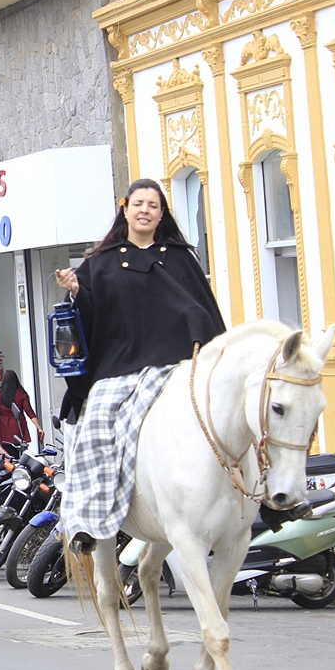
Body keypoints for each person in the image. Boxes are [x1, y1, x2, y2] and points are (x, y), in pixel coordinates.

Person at [54, 179, 226, 553]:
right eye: (139, 204)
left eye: (153, 205)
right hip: (121, 364)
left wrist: (200, 335)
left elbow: (201, 308)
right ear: (126, 209)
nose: (145, 210)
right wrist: (76, 290)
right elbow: (88, 318)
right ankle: (87, 518)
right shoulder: (100, 262)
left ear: (161, 213)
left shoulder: (181, 258)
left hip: (175, 360)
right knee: (97, 418)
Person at [0, 370, 42, 448]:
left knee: (6, 455)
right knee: (19, 454)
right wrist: (39, 428)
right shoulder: (22, 394)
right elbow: (29, 412)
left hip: (3, 427)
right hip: (18, 426)